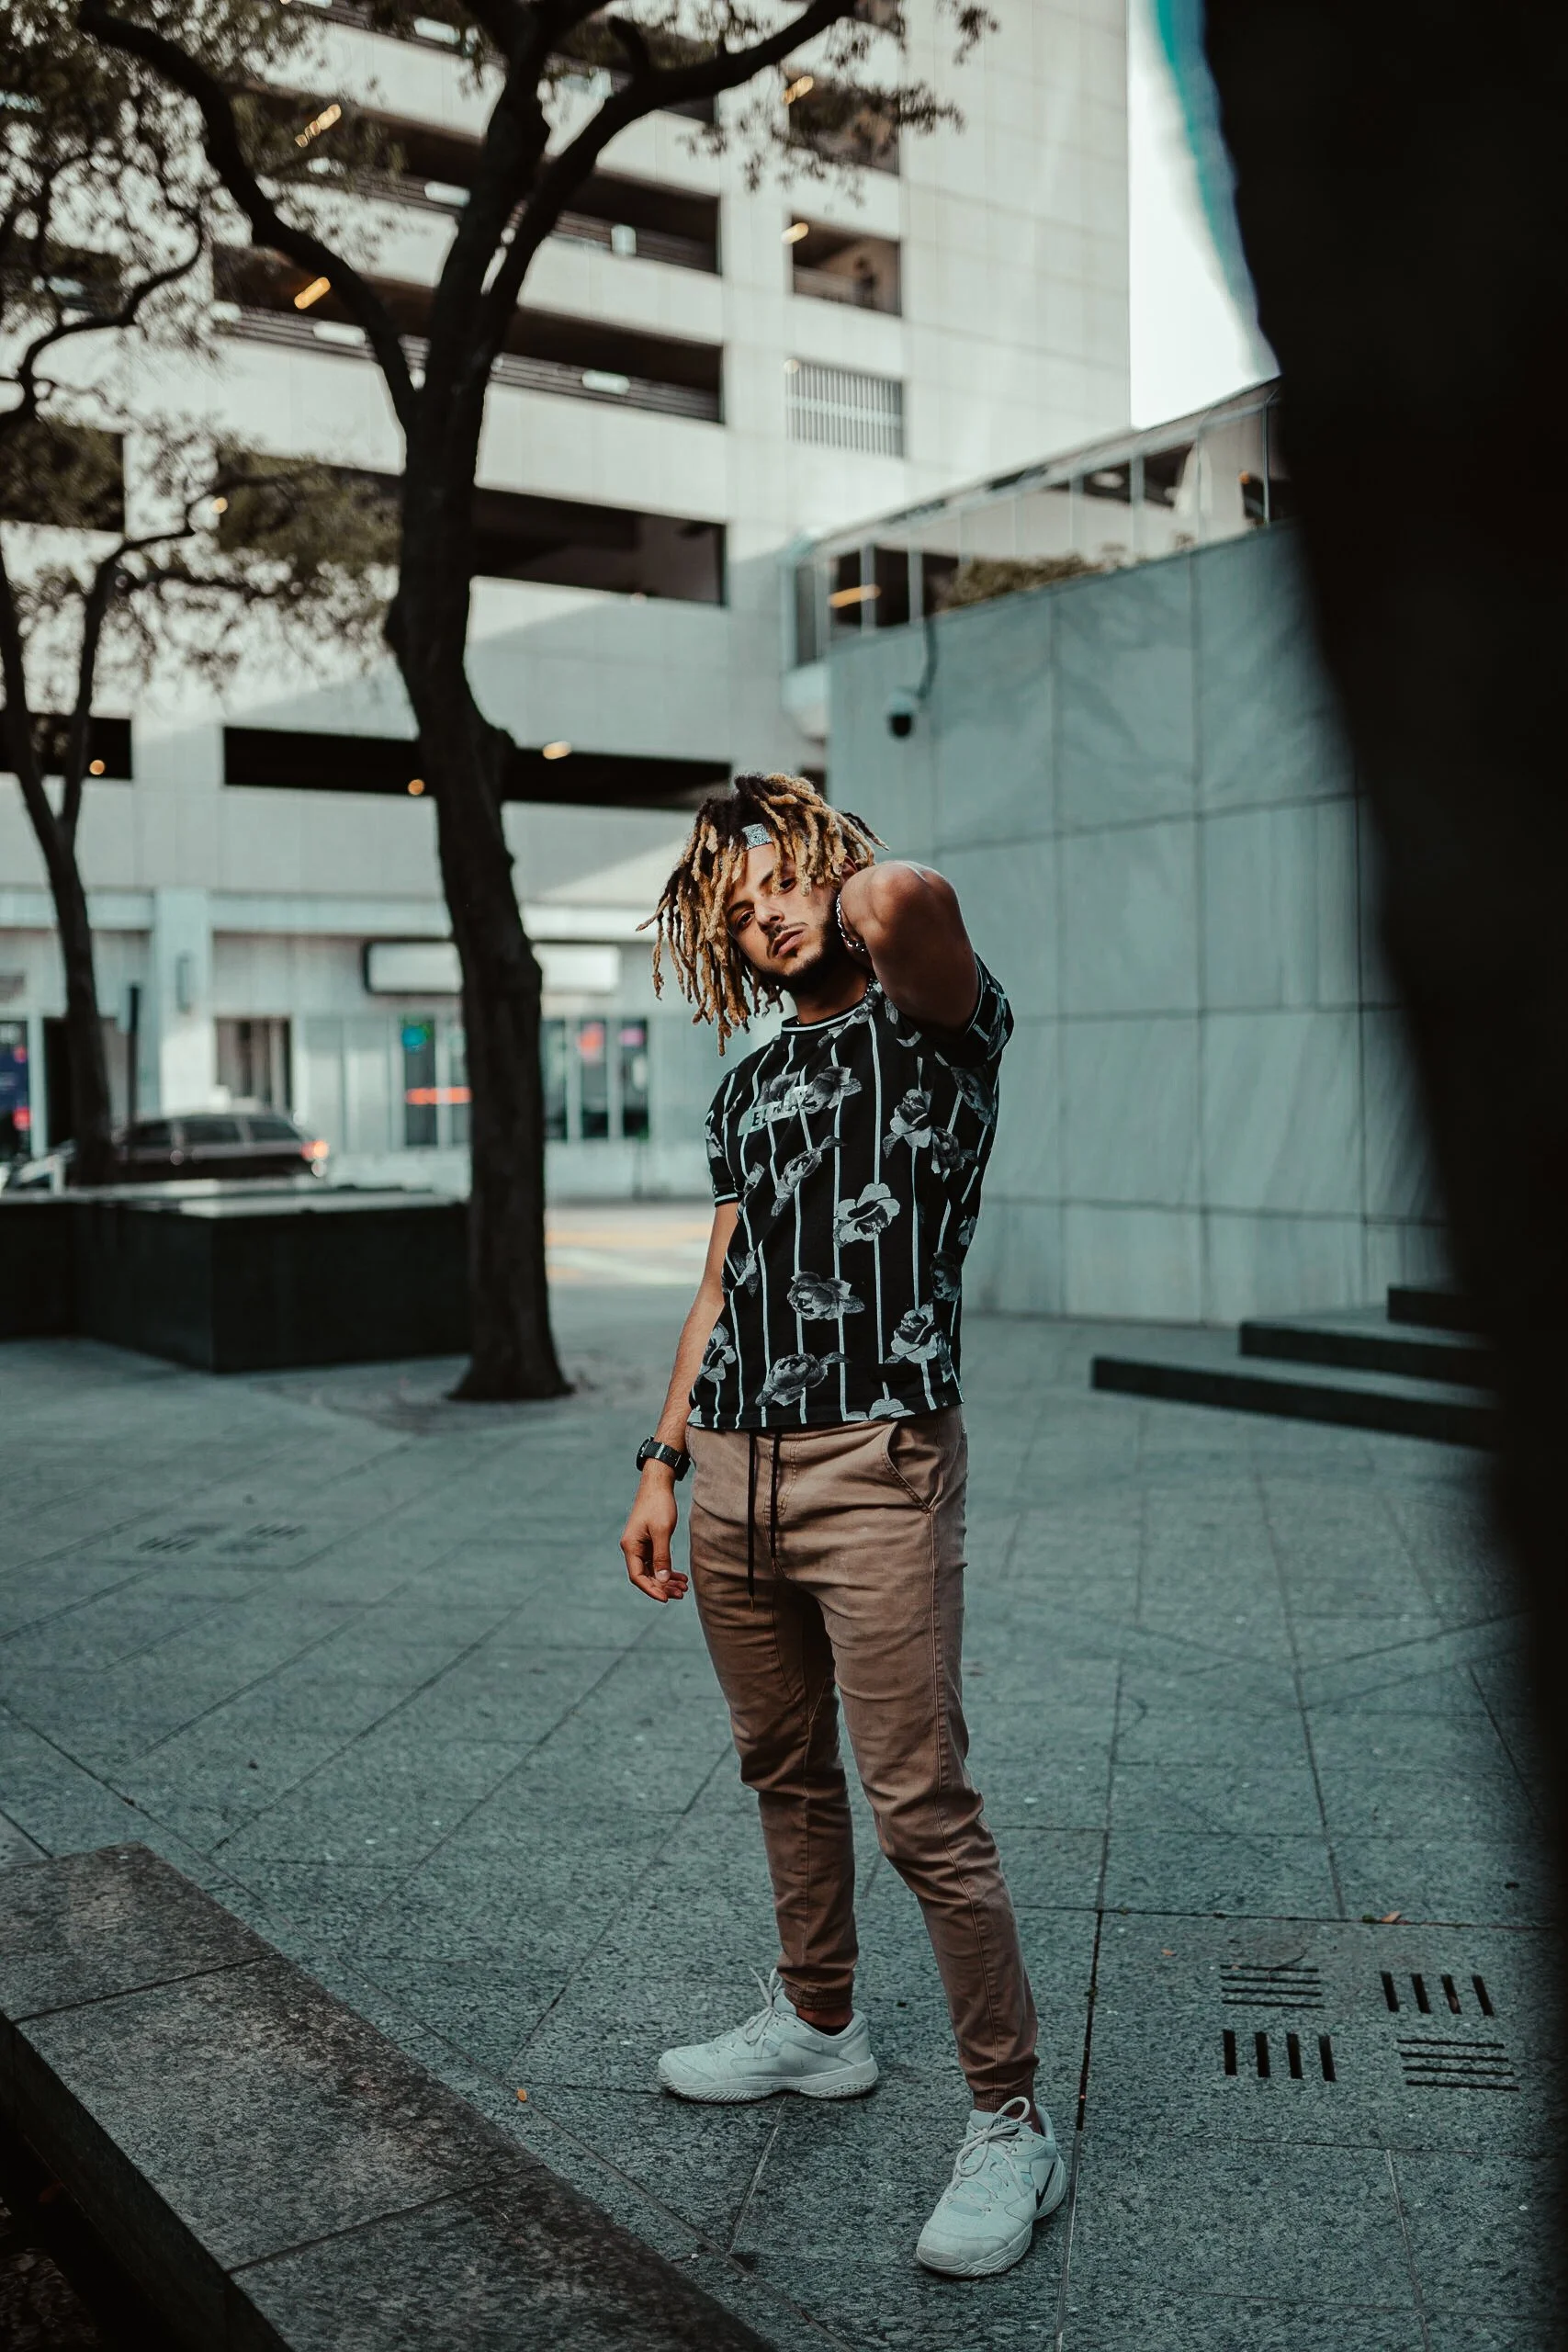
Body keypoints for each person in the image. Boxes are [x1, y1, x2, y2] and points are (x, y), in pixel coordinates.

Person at [617, 770, 1065, 2280]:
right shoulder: (745, 1084)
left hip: (877, 1462)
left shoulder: (940, 1026)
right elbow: (719, 1282)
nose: (764, 919)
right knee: (780, 1770)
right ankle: (819, 2025)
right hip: (734, 1462)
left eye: (784, 888)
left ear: (833, 869)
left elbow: (906, 910)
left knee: (920, 1803)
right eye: (738, 913)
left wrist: (793, 841)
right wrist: (661, 1458)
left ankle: (1009, 2122)